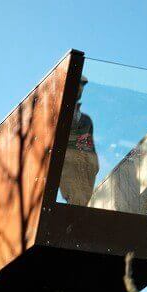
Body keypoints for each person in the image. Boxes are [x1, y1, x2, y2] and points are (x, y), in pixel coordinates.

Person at [58, 77, 99, 206]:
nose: (80, 88)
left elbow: (91, 152)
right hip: (68, 170)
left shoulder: (86, 120)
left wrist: (92, 165)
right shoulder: (58, 115)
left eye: (82, 85)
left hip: (85, 170)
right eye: (78, 84)